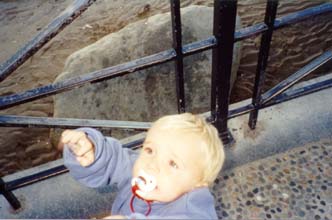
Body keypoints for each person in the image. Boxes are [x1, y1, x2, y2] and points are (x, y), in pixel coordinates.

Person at [59, 113, 225, 219]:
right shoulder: (136, 168)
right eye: (150, 150)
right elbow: (113, 160)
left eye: (173, 163)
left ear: (198, 183)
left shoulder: (193, 208)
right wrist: (94, 152)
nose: (152, 165)